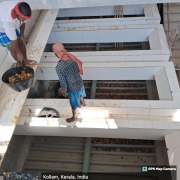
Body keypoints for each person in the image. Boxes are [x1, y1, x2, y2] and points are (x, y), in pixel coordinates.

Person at [52, 43, 86, 123]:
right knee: (81, 94)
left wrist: (64, 92)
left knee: (73, 103)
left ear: (56, 54)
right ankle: (83, 103)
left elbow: (63, 82)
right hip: (79, 81)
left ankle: (74, 117)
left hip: (72, 87)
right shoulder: (71, 57)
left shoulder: (59, 67)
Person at [0, 1, 38, 67]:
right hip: (1, 30)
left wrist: (22, 34)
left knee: (21, 42)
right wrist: (18, 52)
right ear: (17, 14)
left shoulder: (21, 8)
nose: (25, 19)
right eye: (23, 18)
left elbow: (23, 22)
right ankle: (19, 62)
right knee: (13, 48)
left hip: (10, 24)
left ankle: (25, 60)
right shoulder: (8, 22)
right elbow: (13, 40)